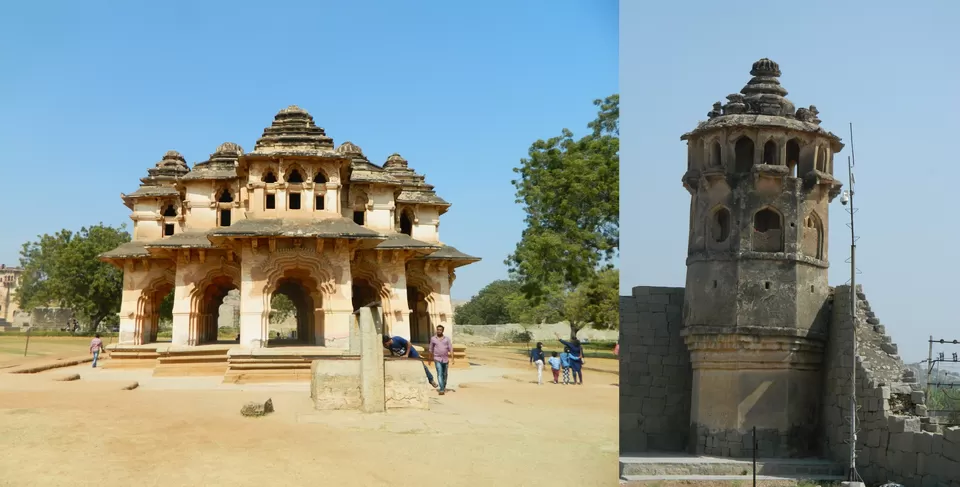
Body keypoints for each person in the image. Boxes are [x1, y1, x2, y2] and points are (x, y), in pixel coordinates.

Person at [428, 325, 453, 395]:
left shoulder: (447, 339)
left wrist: (452, 358)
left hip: (445, 359)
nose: (439, 331)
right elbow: (430, 349)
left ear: (442, 331)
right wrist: (429, 359)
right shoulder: (433, 339)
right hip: (437, 358)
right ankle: (441, 389)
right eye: (438, 330)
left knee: (445, 374)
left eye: (440, 330)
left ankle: (443, 386)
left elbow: (450, 349)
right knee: (439, 373)